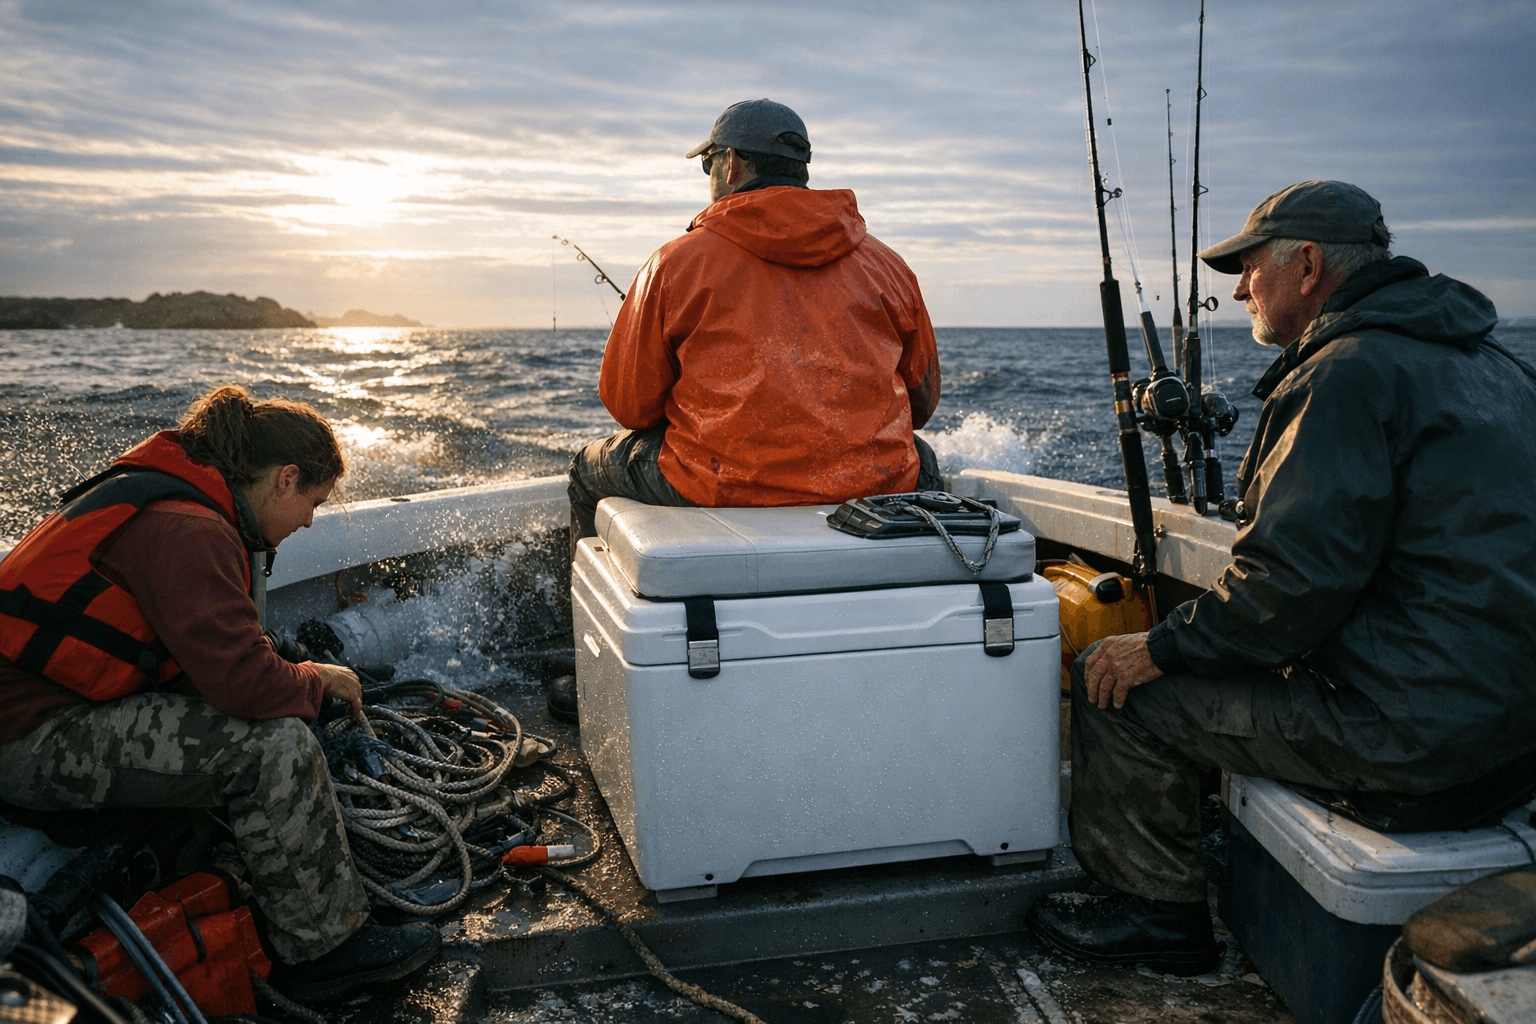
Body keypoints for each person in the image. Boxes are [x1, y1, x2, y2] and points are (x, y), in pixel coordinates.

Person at [1024, 180, 1536, 975]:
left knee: (1113, 681)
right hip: (1513, 738)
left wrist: (1156, 649)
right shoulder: (1496, 365)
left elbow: (1283, 594)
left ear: (1306, 265)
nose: (1237, 290)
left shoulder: (1345, 375)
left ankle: (1157, 917)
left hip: (1412, 733)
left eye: (1250, 267)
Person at [0, 385, 440, 1001]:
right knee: (276, 746)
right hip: (30, 742)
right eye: (312, 501)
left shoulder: (180, 500)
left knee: (270, 718)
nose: (311, 520)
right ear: (285, 479)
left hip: (62, 713)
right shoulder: (190, 529)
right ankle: (323, 950)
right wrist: (313, 683)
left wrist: (299, 668)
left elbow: (219, 649)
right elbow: (244, 685)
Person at [566, 97, 944, 547]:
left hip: (719, 485)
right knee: (921, 459)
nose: (709, 175)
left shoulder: (673, 265)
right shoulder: (890, 267)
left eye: (708, 162)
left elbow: (629, 407)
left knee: (586, 472)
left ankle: (582, 610)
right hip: (870, 485)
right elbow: (922, 405)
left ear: (730, 165)